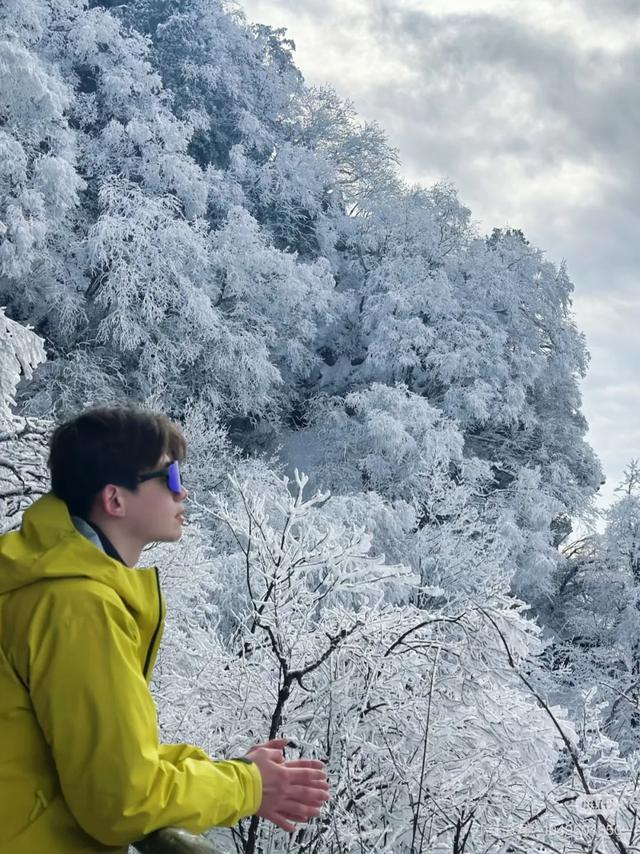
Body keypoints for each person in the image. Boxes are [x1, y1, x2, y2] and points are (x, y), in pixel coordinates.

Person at [0, 407, 329, 853]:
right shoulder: (78, 607)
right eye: (170, 477)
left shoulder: (44, 579)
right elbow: (121, 801)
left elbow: (110, 757)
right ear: (115, 500)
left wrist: (233, 771)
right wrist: (247, 786)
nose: (184, 491)